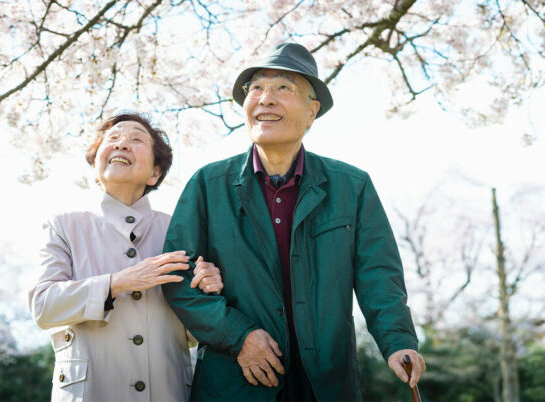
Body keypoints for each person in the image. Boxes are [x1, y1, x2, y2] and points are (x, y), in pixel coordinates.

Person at [161, 42, 426, 401]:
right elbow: (177, 278)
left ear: (312, 111)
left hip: (327, 384)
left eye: (283, 87)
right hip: (235, 383)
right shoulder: (208, 185)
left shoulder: (352, 186)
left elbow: (378, 276)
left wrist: (398, 343)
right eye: (256, 88)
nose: (265, 99)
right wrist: (239, 336)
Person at [30, 112, 224, 402]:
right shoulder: (64, 225)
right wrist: (117, 282)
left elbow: (196, 331)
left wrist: (211, 288)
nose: (122, 144)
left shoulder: (181, 229)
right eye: (113, 138)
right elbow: (43, 306)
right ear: (95, 165)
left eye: (136, 139)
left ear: (155, 173)